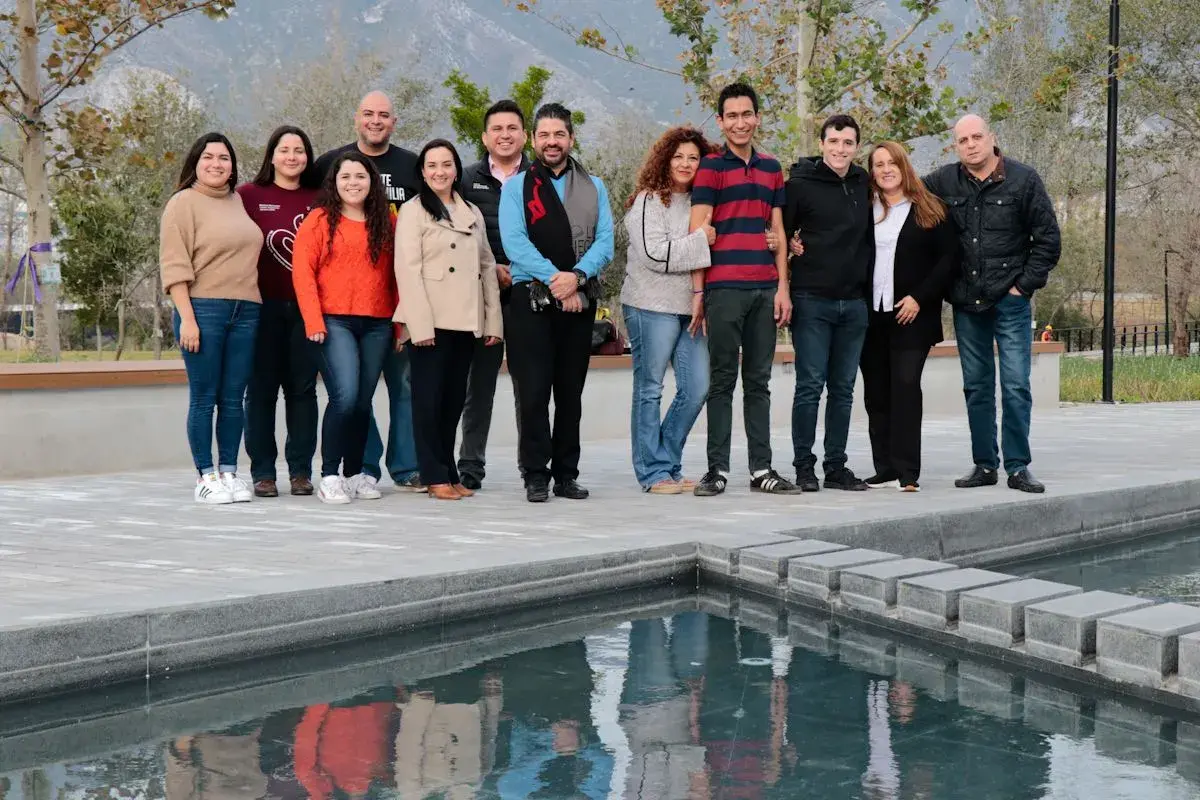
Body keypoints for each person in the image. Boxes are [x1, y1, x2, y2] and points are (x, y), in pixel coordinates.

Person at [924, 114, 1061, 493]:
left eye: (976, 137)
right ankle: (985, 465)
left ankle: (1018, 467)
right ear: (956, 146)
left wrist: (1022, 287)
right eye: (963, 140)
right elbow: (903, 199)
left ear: (992, 138)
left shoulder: (1024, 180)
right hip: (967, 303)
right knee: (976, 386)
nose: (971, 145)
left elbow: (1048, 240)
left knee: (1015, 385)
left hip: (1010, 302)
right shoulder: (942, 182)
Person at [688, 82, 799, 497]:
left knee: (758, 382)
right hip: (724, 289)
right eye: (731, 116)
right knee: (721, 381)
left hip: (764, 289)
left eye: (746, 114)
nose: (740, 122)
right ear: (720, 121)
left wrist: (783, 287)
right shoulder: (710, 168)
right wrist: (699, 294)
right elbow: (697, 234)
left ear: (757, 117)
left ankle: (761, 470)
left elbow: (778, 232)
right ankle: (717, 470)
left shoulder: (772, 168)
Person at [499, 102, 614, 503]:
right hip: (531, 300)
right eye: (544, 135)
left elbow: (605, 242)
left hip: (578, 300)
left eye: (559, 134)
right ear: (533, 140)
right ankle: (535, 473)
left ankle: (566, 474)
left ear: (571, 138)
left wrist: (577, 277)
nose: (552, 142)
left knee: (569, 393)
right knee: (532, 392)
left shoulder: (594, 187)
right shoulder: (516, 188)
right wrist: (557, 280)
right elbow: (514, 243)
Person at [314, 90, 423, 495]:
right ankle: (363, 467)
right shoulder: (329, 164)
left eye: (384, 115)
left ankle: (407, 466)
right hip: (342, 311)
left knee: (404, 386)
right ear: (356, 119)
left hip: (392, 305)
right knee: (356, 392)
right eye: (368, 114)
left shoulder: (412, 166)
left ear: (394, 122)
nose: (376, 121)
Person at [395, 139, 503, 501]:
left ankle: (448, 471)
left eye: (446, 164)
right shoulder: (413, 211)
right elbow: (407, 271)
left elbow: (487, 267)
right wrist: (419, 325)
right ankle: (433, 473)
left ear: (457, 170)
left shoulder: (471, 211)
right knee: (428, 401)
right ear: (422, 172)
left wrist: (492, 322)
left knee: (454, 400)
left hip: (466, 319)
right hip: (431, 319)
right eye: (432, 166)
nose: (439, 172)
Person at [160, 132, 263, 505]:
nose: (216, 164)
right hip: (203, 310)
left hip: (247, 309)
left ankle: (229, 473)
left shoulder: (237, 201)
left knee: (234, 398)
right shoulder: (183, 203)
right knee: (204, 398)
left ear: (232, 166)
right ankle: (205, 476)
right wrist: (187, 319)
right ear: (196, 162)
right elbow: (175, 267)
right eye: (208, 157)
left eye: (224, 158)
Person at [292, 151, 398, 504]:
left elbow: (396, 275)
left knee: (363, 401)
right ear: (334, 183)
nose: (354, 183)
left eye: (360, 176)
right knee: (345, 396)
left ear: (372, 182)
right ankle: (329, 475)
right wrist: (313, 319)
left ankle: (355, 474)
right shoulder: (320, 220)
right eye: (346, 177)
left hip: (378, 323)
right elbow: (303, 273)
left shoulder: (386, 221)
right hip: (333, 321)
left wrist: (400, 324)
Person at [621, 126, 718, 494]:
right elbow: (654, 254)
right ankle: (652, 472)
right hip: (650, 305)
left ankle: (668, 463)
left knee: (697, 387)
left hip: (692, 307)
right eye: (678, 156)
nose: (686, 163)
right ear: (665, 160)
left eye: (694, 157)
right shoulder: (649, 201)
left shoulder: (703, 202)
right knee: (650, 388)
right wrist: (700, 241)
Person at [857, 141, 958, 493]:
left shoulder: (929, 208)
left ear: (904, 167)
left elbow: (948, 260)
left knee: (905, 387)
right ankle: (884, 468)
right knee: (876, 394)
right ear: (872, 172)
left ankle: (907, 471)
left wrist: (919, 297)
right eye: (878, 164)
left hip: (912, 316)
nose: (886, 170)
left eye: (892, 163)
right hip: (871, 316)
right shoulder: (864, 210)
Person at [783, 114, 874, 493]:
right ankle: (804, 467)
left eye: (848, 142)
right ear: (821, 144)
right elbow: (778, 234)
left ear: (857, 147)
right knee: (809, 386)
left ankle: (836, 467)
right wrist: (788, 249)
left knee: (843, 390)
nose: (840, 149)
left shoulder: (863, 182)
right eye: (833, 141)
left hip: (854, 305)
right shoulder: (799, 185)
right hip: (812, 301)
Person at [237, 125, 320, 498]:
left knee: (302, 391)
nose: (292, 157)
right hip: (261, 309)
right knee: (261, 392)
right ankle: (263, 472)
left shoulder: (319, 198)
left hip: (307, 310)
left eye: (299, 150)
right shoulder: (248, 196)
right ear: (271, 155)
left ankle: (301, 471)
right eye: (284, 150)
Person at [457, 99, 530, 491]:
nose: (505, 135)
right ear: (485, 137)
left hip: (527, 293)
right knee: (478, 385)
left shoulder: (539, 178)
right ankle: (470, 466)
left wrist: (520, 270)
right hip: (481, 295)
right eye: (497, 129)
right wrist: (490, 270)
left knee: (528, 384)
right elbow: (455, 236)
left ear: (524, 136)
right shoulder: (466, 179)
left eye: (512, 128)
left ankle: (532, 466)